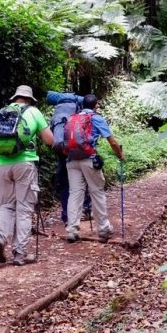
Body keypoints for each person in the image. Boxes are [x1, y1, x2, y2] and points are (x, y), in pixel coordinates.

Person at [0, 85, 53, 266]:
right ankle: (19, 253)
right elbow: (49, 140)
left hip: (2, 164)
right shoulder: (34, 112)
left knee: (6, 205)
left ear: (15, 97)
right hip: (24, 164)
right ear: (30, 99)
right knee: (24, 209)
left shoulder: (2, 112)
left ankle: (0, 237)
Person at [65, 94, 124, 243]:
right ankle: (103, 229)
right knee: (96, 192)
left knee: (75, 194)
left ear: (82, 105)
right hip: (89, 160)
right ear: (96, 105)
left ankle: (72, 229)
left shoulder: (73, 118)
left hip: (72, 160)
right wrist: (120, 155)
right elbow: (113, 142)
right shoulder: (96, 118)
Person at [46, 90, 92, 224]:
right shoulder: (77, 109)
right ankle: (87, 208)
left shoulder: (57, 114)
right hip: (75, 149)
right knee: (82, 179)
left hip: (60, 149)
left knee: (64, 182)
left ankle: (66, 215)